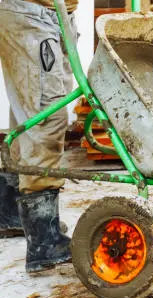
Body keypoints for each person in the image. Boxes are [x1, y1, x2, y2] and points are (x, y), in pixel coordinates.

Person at [0, 0, 78, 272]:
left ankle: (10, 211)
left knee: (30, 106)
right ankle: (44, 240)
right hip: (31, 9)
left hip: (52, 11)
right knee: (47, 114)